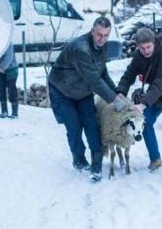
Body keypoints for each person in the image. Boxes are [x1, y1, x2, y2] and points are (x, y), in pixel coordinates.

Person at [48, 16, 127, 182]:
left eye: (106, 35)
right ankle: (79, 160)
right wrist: (115, 100)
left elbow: (102, 73)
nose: (102, 39)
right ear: (92, 31)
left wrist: (116, 92)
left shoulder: (101, 46)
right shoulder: (81, 49)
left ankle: (96, 162)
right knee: (74, 127)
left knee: (91, 124)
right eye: (99, 34)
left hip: (81, 91)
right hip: (62, 90)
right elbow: (94, 80)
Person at [116, 27, 162, 182]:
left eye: (148, 47)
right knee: (145, 122)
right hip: (159, 94)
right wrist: (121, 92)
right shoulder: (139, 56)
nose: (145, 50)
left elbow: (161, 83)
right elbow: (129, 74)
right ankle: (155, 159)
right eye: (141, 48)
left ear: (154, 42)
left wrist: (143, 104)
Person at [0, 44, 19, 118]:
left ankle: (15, 113)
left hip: (11, 69)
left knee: (11, 90)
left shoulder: (8, 44)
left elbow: (9, 57)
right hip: (1, 71)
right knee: (1, 89)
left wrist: (2, 67)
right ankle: (4, 111)